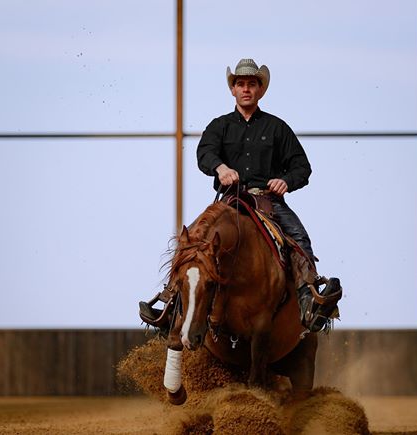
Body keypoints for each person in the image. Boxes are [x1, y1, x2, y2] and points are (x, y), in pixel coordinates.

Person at [140, 58, 341, 332]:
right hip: (230, 201)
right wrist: (220, 168)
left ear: (260, 90)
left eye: (251, 84)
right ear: (233, 90)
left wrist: (285, 181)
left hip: (269, 202)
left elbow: (302, 167)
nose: (246, 89)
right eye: (240, 84)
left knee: (299, 238)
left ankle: (310, 302)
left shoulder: (277, 128)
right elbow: (204, 154)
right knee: (193, 241)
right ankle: (171, 303)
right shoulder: (219, 126)